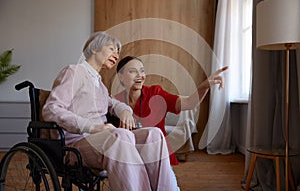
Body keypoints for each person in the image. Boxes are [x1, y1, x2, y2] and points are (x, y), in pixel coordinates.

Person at [42, 32, 175, 191]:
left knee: (154, 134)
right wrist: (93, 127)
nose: (116, 55)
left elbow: (114, 104)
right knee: (121, 135)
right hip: (76, 144)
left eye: (118, 51)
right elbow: (51, 109)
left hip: (103, 140)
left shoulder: (99, 84)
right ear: (94, 49)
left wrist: (125, 110)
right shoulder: (74, 72)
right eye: (112, 48)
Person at [114, 56, 228, 165]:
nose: (140, 75)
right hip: (130, 159)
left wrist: (204, 86)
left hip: (158, 157)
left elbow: (189, 103)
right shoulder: (115, 102)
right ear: (121, 76)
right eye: (133, 71)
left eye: (142, 71)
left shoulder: (156, 93)